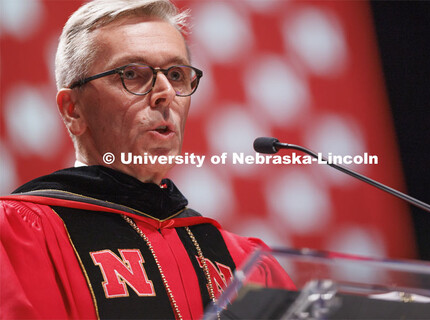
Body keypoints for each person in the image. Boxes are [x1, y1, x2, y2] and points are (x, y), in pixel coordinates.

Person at [0, 0, 294, 319]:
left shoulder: (244, 262)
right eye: (132, 74)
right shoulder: (19, 237)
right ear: (73, 110)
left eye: (177, 74)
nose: (165, 91)